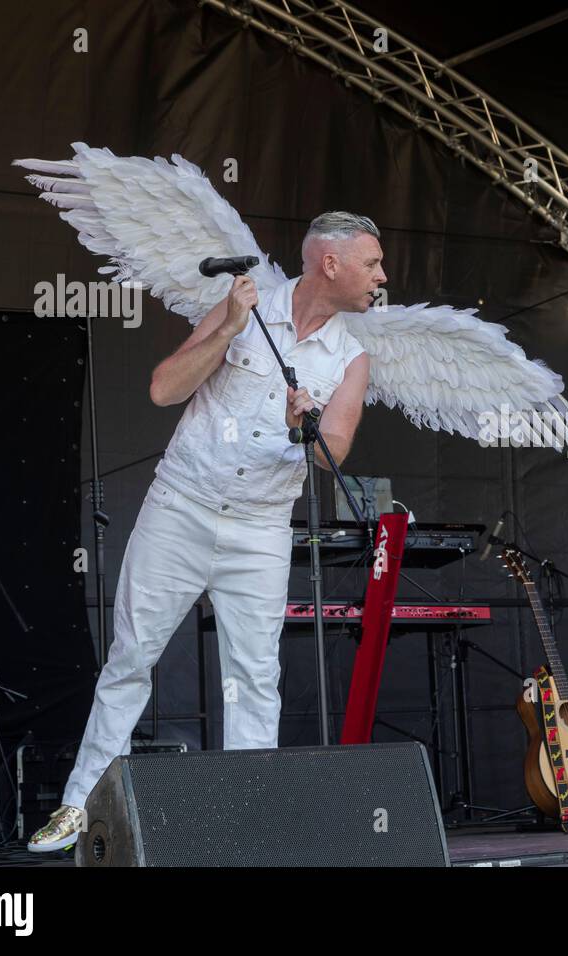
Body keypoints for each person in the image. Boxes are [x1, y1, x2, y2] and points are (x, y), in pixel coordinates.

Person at [29, 212, 381, 851]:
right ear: (331, 263)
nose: (380, 277)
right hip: (181, 507)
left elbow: (335, 444)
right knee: (132, 658)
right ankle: (78, 808)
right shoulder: (245, 303)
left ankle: (245, 825)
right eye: (372, 264)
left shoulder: (351, 357)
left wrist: (306, 424)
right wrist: (227, 327)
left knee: (253, 676)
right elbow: (165, 389)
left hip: (261, 529)